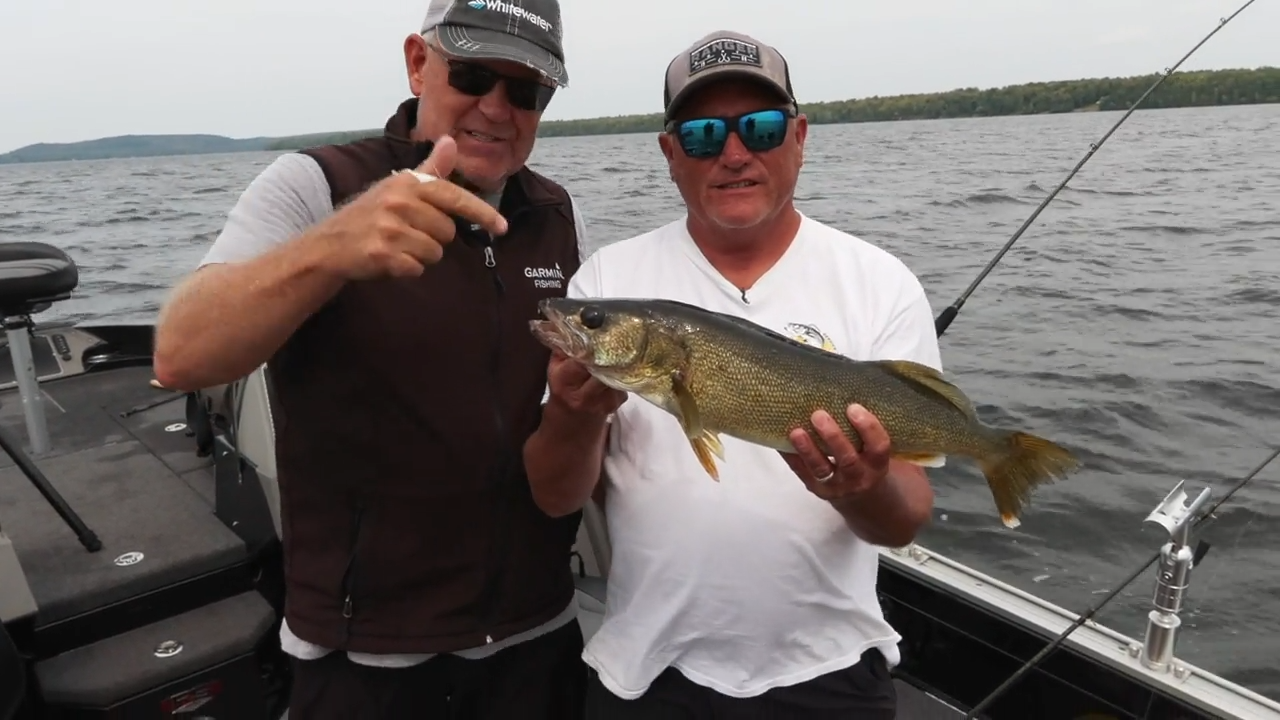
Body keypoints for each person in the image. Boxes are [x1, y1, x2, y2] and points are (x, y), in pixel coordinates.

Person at [153, 0, 594, 717]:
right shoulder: (315, 184)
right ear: (420, 64)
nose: (497, 107)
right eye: (475, 74)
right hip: (366, 657)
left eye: (526, 91)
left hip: (537, 633)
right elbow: (182, 353)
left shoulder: (557, 214)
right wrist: (332, 247)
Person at [524, 29, 941, 719]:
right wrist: (572, 413)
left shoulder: (879, 283)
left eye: (762, 127)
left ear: (800, 136)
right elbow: (555, 497)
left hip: (831, 672)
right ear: (669, 153)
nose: (735, 154)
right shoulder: (608, 278)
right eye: (702, 136)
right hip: (647, 671)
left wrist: (861, 490)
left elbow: (904, 519)